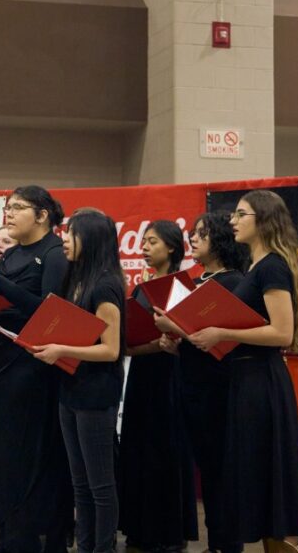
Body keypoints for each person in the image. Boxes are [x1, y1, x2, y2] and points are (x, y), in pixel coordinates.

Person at [187, 191, 298, 553]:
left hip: (261, 381)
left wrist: (223, 332)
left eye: (241, 214)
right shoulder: (257, 265)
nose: (233, 220)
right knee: (253, 476)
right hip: (245, 379)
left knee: (267, 475)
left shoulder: (272, 266)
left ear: (264, 220)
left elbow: (282, 333)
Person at [0, 185, 72, 553]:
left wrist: (1, 287)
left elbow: (51, 312)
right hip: (2, 362)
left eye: (18, 207)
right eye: (8, 207)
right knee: (5, 454)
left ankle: (39, 540)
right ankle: (11, 536)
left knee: (34, 454)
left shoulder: (55, 254)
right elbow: (3, 306)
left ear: (42, 215)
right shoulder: (12, 254)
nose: (9, 214)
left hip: (35, 368)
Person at [29, 209, 124, 553]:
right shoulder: (76, 279)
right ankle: (85, 546)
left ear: (91, 239)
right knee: (80, 483)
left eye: (71, 234)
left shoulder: (105, 285)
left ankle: (102, 547)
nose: (64, 240)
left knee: (100, 485)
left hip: (96, 392)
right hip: (70, 388)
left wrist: (61, 349)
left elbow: (111, 350)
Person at [154, 213, 247, 553]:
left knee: (221, 469)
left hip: (219, 389)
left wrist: (174, 327)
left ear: (220, 240)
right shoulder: (195, 282)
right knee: (206, 470)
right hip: (190, 384)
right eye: (192, 234)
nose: (193, 239)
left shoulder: (235, 283)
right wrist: (173, 344)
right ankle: (216, 541)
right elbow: (195, 342)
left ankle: (228, 544)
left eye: (202, 234)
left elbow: (222, 341)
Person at [118, 220, 198, 552]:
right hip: (141, 373)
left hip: (169, 374)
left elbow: (187, 336)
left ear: (171, 247)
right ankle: (139, 528)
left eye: (152, 242)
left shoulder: (182, 287)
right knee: (138, 447)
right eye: (144, 242)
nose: (145, 248)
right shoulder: (142, 287)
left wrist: (161, 340)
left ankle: (168, 532)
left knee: (165, 450)